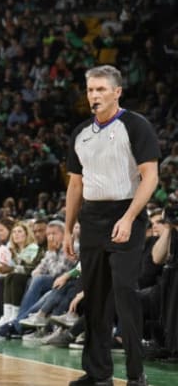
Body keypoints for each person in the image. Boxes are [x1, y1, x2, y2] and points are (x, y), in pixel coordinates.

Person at [64, 65, 159, 386]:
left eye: (101, 89)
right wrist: (67, 229)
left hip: (126, 212)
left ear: (117, 92)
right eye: (91, 90)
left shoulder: (136, 125)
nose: (95, 95)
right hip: (91, 219)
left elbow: (151, 177)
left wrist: (130, 217)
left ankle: (136, 375)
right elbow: (75, 186)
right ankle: (98, 372)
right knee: (94, 297)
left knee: (124, 293)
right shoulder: (80, 133)